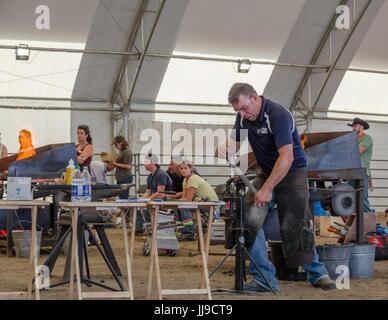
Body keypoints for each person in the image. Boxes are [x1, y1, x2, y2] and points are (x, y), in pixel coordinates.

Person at [216, 82, 335, 292]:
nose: (242, 114)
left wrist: (267, 188)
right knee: (248, 219)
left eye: (244, 108)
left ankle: (318, 273)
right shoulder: (244, 116)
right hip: (267, 171)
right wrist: (225, 147)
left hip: (291, 171)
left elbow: (286, 156)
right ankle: (264, 278)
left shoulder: (278, 115)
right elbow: (235, 142)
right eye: (238, 111)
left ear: (254, 97)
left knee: (295, 222)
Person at [164, 160, 218, 240]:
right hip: (202, 201)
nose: (183, 170)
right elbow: (184, 198)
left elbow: (188, 200)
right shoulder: (186, 180)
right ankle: (184, 230)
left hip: (210, 203)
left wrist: (172, 200)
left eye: (185, 168)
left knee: (185, 207)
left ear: (191, 169)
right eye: (181, 168)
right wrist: (173, 200)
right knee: (181, 206)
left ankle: (189, 233)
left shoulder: (193, 179)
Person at [135, 154, 172, 234]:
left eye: (146, 162)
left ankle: (151, 228)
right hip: (157, 199)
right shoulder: (151, 176)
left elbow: (160, 193)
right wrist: (140, 200)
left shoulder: (160, 174)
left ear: (152, 162)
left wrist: (147, 200)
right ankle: (145, 229)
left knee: (145, 207)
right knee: (138, 205)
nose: (144, 164)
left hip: (165, 200)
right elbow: (148, 191)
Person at [347, 117, 374, 213]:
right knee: (350, 197)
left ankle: (369, 223)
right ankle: (355, 223)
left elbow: (357, 151)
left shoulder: (368, 139)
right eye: (353, 126)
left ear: (361, 127)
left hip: (362, 172)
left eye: (355, 126)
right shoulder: (352, 139)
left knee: (362, 199)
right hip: (352, 171)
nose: (353, 128)